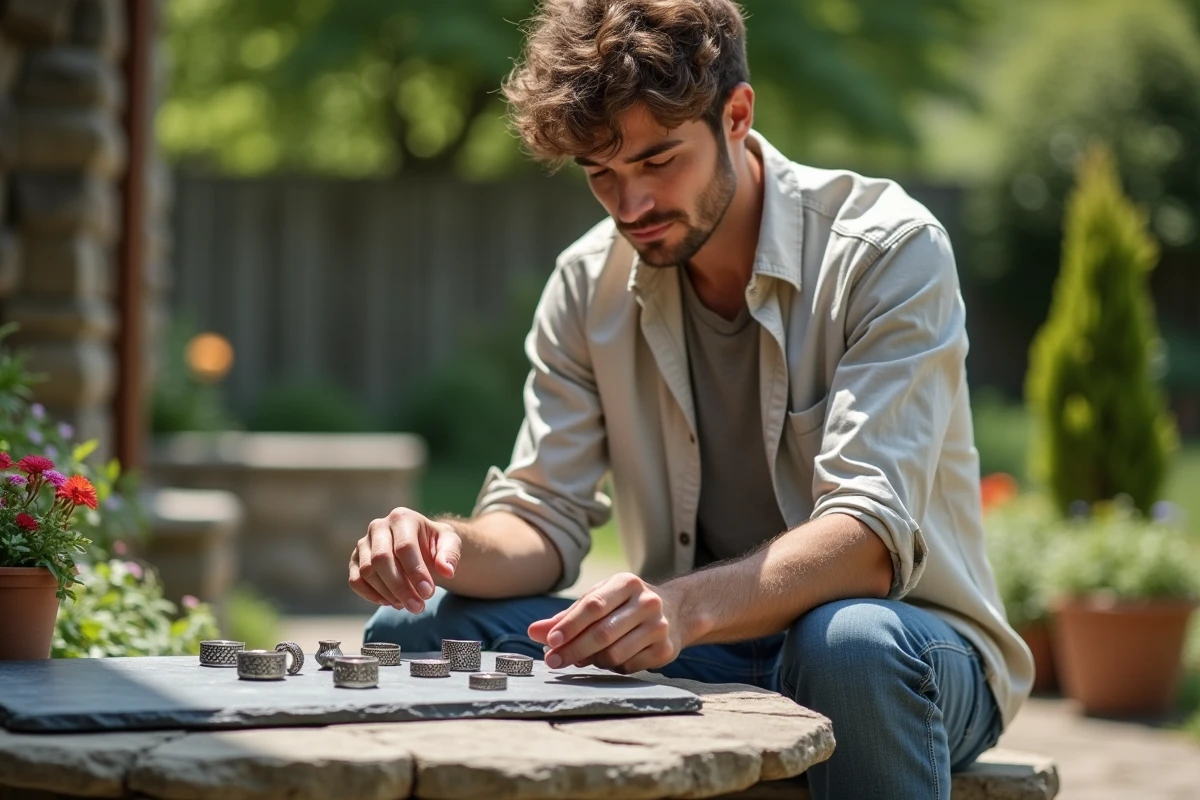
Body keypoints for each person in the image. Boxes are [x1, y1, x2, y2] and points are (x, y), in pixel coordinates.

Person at [350, 1, 1033, 797]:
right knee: (416, 630)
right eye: (601, 175)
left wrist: (680, 608)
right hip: (691, 643)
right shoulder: (585, 283)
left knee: (844, 642)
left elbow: (867, 541)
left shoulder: (886, 251)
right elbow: (543, 515)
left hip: (911, 650)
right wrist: (442, 547)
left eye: (658, 161)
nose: (629, 206)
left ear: (736, 116)